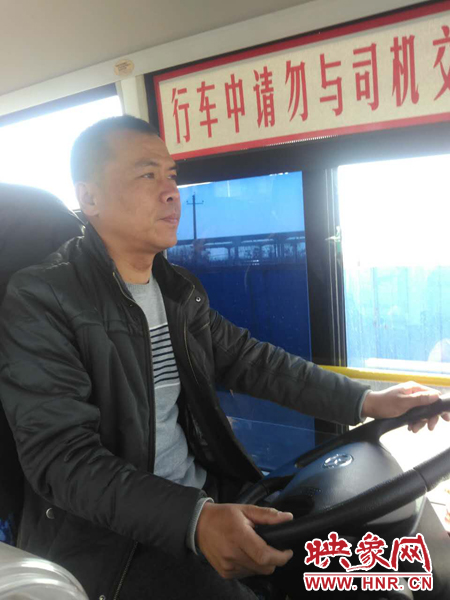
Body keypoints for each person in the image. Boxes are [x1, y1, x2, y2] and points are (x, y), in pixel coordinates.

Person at [0, 116, 447, 600]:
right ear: (89, 198)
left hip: (207, 499)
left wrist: (367, 400)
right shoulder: (42, 298)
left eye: (171, 175)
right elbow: (62, 459)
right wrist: (194, 521)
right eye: (147, 174)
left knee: (381, 569)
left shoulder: (176, 290)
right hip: (117, 541)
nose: (171, 192)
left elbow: (254, 362)